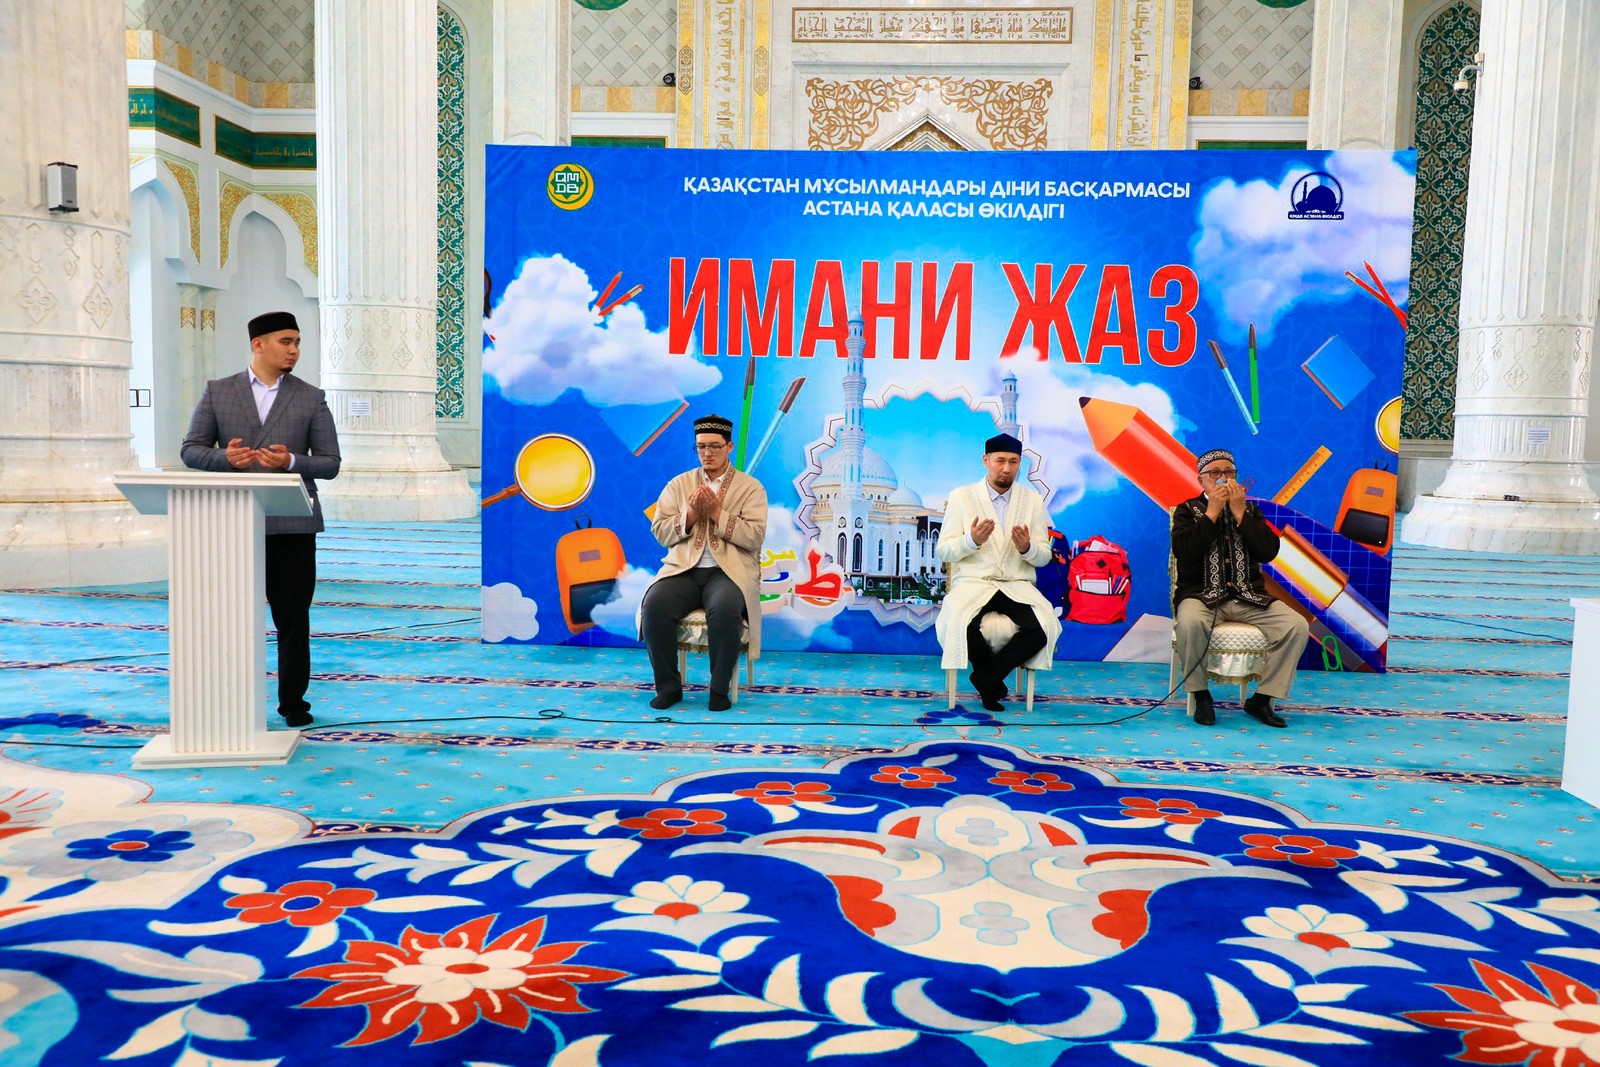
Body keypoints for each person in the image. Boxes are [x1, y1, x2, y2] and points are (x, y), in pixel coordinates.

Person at [180, 312, 341, 728]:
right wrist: (225, 458)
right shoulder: (218, 391)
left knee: (292, 619)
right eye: (286, 341)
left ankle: (293, 703)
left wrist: (291, 462)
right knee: (228, 616)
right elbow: (191, 450)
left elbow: (330, 463)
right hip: (232, 523)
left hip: (293, 525)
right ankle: (226, 699)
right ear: (258, 344)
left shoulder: (311, 397)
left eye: (298, 342)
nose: (294, 350)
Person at [1171, 449, 1310, 727]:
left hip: (1249, 597)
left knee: (1296, 626)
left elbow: (1268, 551)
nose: (1223, 478)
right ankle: (1201, 695)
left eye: (1229, 472)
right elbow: (1184, 552)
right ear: (1201, 480)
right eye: (1215, 473)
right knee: (1189, 622)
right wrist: (1212, 513)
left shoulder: (1251, 510)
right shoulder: (1187, 510)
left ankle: (1262, 699)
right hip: (1201, 596)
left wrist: (1239, 514)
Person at [639, 414, 768, 712]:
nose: (707, 453)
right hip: (683, 570)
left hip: (728, 572)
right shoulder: (678, 484)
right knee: (654, 604)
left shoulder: (750, 488)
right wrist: (691, 515)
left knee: (724, 609)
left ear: (729, 447)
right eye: (701, 447)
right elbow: (660, 532)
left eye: (714, 446)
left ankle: (719, 690)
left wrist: (717, 514)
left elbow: (754, 537)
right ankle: (669, 688)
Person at [935, 433, 1061, 711]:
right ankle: (991, 684)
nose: (1006, 468)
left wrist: (1027, 548)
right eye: (1000, 461)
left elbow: (1044, 557)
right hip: (974, 583)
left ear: (1020, 464)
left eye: (1013, 462)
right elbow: (944, 551)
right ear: (986, 461)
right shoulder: (962, 497)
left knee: (1044, 626)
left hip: (1016, 584)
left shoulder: (1033, 501)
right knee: (959, 623)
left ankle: (987, 678)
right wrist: (971, 541)